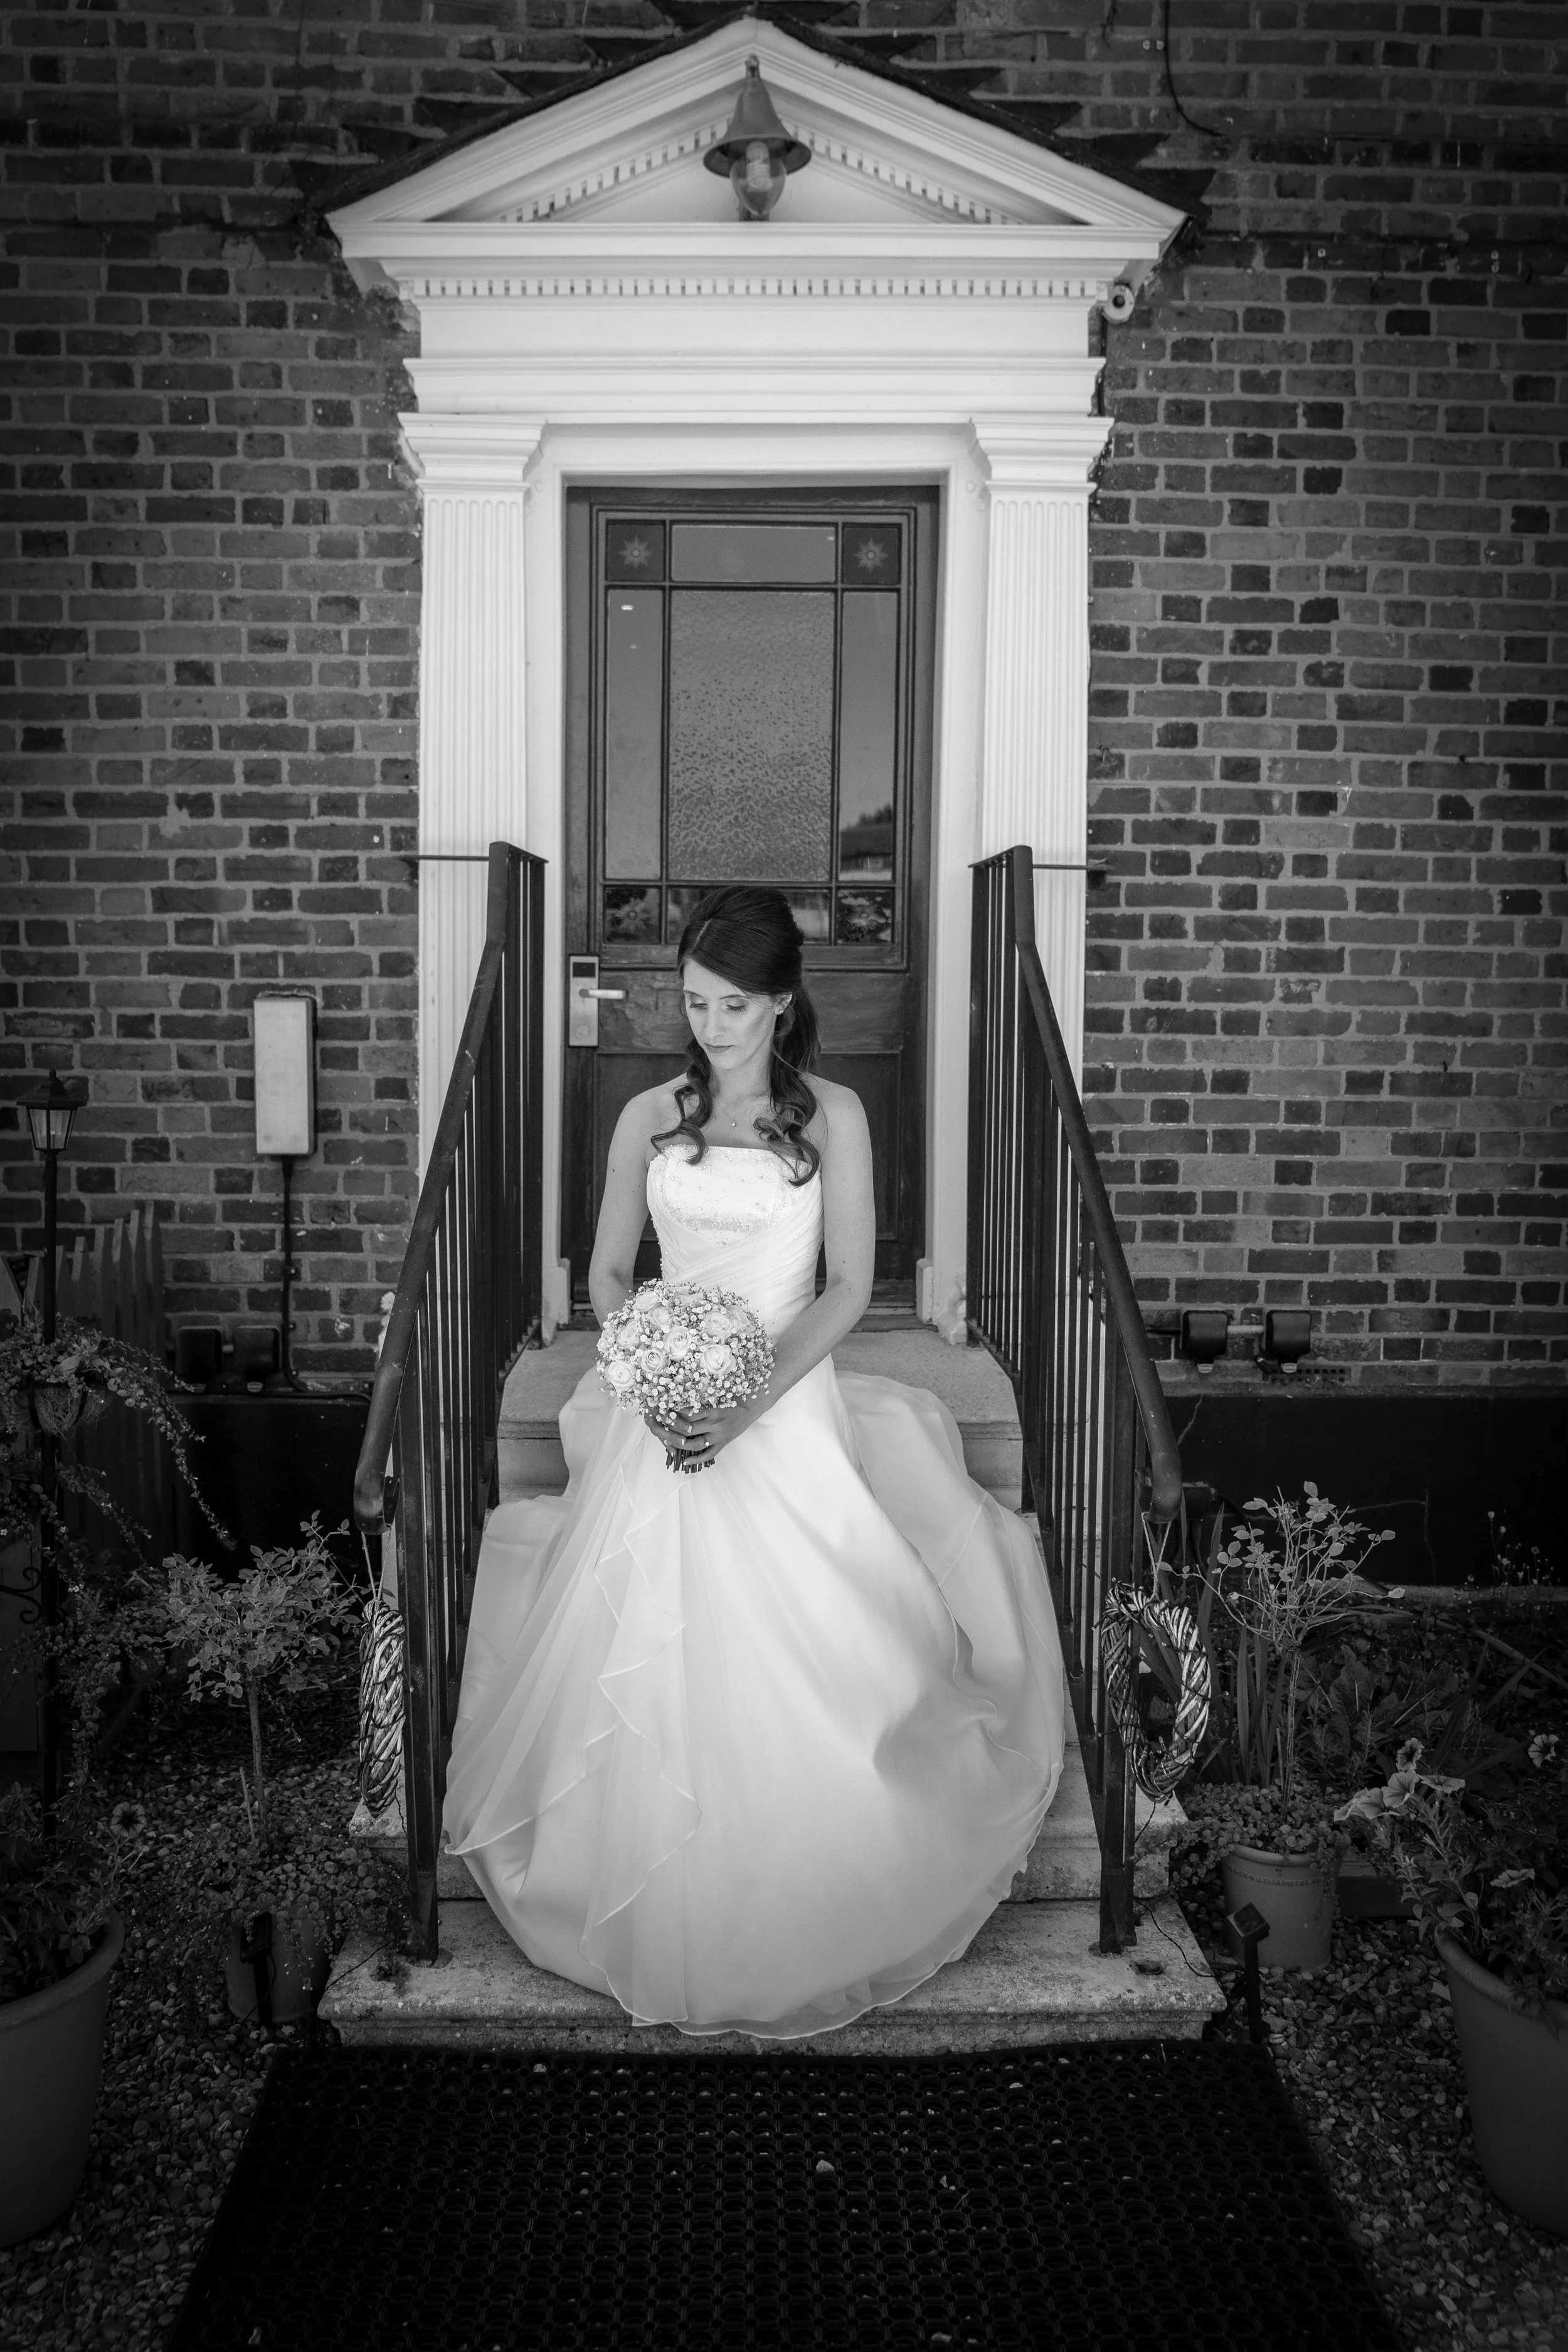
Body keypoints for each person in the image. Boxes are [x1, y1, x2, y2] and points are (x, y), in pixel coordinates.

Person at [442, 885, 1066, 2038]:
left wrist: (741, 1405)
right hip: (663, 1397)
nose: (712, 1024)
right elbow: (611, 1276)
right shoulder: (648, 1116)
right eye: (694, 1001)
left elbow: (845, 1290)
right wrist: (652, 1372)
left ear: (781, 1006)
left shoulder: (832, 1117)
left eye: (735, 1005)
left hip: (782, 1398)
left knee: (812, 1641)